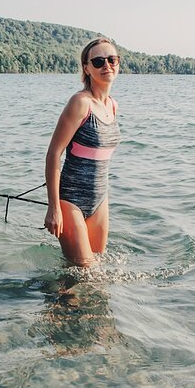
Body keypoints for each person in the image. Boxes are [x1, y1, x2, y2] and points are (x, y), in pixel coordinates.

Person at [44, 38, 122, 266]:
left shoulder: (113, 106)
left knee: (96, 271)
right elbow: (54, 153)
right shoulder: (80, 103)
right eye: (98, 61)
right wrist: (53, 208)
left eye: (112, 59)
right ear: (86, 68)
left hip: (100, 200)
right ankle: (56, 300)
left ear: (118, 64)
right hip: (71, 200)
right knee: (82, 272)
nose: (106, 65)